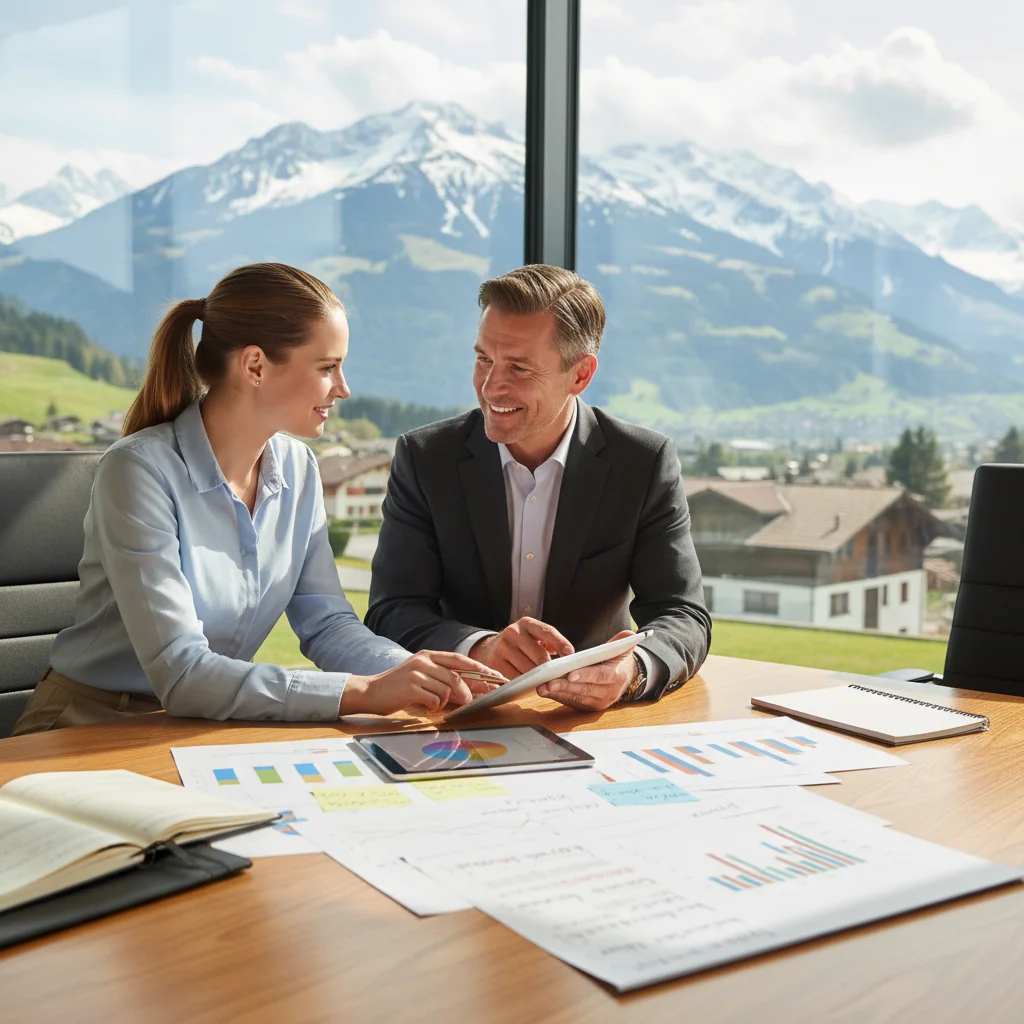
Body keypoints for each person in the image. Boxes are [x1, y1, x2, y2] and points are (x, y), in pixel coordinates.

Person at [12, 263, 497, 735]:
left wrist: (411, 673)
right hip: (89, 725)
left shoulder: (299, 468)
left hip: (202, 725)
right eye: (328, 367)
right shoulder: (139, 471)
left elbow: (327, 623)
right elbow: (183, 674)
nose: (344, 389)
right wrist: (363, 691)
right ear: (255, 365)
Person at [366, 264, 711, 711]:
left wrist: (633, 670)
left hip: (585, 723)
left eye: (519, 367)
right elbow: (392, 608)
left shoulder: (642, 463)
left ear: (580, 375)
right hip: (452, 714)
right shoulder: (426, 457)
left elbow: (682, 614)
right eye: (483, 359)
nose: (491, 387)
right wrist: (478, 647)